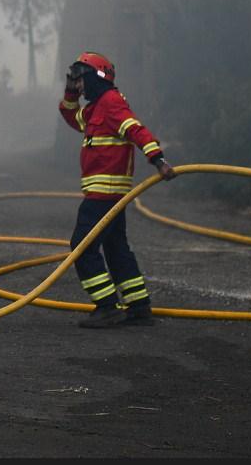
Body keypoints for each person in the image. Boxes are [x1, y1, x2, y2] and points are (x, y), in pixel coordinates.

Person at [58, 51, 176, 328]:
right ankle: (138, 306)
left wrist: (158, 160)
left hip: (104, 194)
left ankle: (107, 306)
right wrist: (69, 90)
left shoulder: (111, 102)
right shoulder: (94, 109)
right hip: (109, 195)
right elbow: (70, 116)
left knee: (82, 247)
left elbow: (135, 129)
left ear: (95, 78)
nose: (80, 86)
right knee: (115, 247)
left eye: (82, 80)